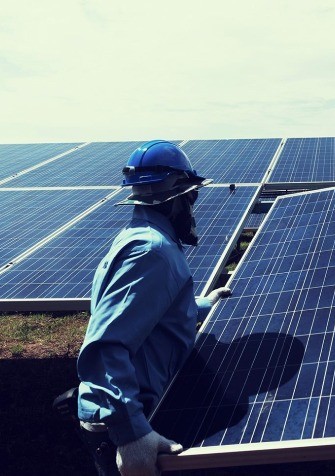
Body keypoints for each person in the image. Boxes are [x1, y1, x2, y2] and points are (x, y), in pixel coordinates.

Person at [75, 140, 232, 476]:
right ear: (176, 198)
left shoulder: (142, 237)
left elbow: (145, 311)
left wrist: (202, 305)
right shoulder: (151, 252)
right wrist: (132, 436)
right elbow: (105, 346)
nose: (194, 205)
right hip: (126, 423)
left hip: (131, 411)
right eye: (192, 195)